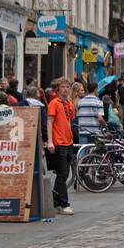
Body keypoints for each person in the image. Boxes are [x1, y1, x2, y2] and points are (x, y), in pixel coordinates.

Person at [46, 79, 77, 216]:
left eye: (67, 87)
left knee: (63, 175)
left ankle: (56, 201)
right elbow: (49, 123)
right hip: (58, 143)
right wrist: (50, 141)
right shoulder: (54, 103)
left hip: (68, 142)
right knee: (62, 173)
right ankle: (64, 204)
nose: (65, 89)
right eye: (62, 87)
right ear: (58, 89)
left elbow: (69, 121)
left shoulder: (69, 104)